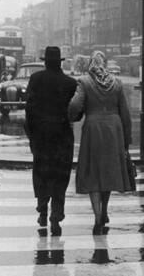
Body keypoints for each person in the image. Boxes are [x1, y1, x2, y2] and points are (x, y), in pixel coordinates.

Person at [68, 51, 132, 235]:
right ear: (105, 64)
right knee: (109, 172)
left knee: (94, 174)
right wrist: (126, 140)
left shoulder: (84, 82)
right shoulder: (117, 83)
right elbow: (125, 114)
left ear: (90, 64)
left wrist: (73, 117)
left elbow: (74, 106)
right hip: (114, 130)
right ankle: (104, 211)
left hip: (93, 129)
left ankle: (97, 217)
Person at [25, 46, 77, 236]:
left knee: (42, 172)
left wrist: (31, 134)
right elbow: (76, 112)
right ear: (60, 62)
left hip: (41, 135)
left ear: (45, 61)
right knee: (60, 175)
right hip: (62, 136)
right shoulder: (70, 83)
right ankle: (56, 214)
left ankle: (42, 209)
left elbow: (28, 109)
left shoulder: (36, 80)